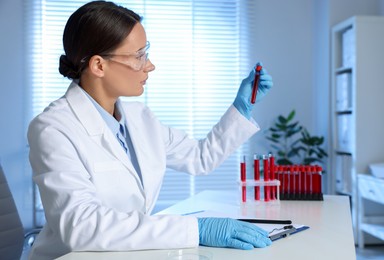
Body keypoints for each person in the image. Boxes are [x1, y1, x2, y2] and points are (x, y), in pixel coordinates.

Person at [27, 1, 274, 259]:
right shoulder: (53, 129)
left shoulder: (140, 118)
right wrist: (195, 230)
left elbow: (200, 157)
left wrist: (240, 109)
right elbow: (82, 225)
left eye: (145, 52)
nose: (150, 65)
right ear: (99, 66)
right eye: (138, 56)